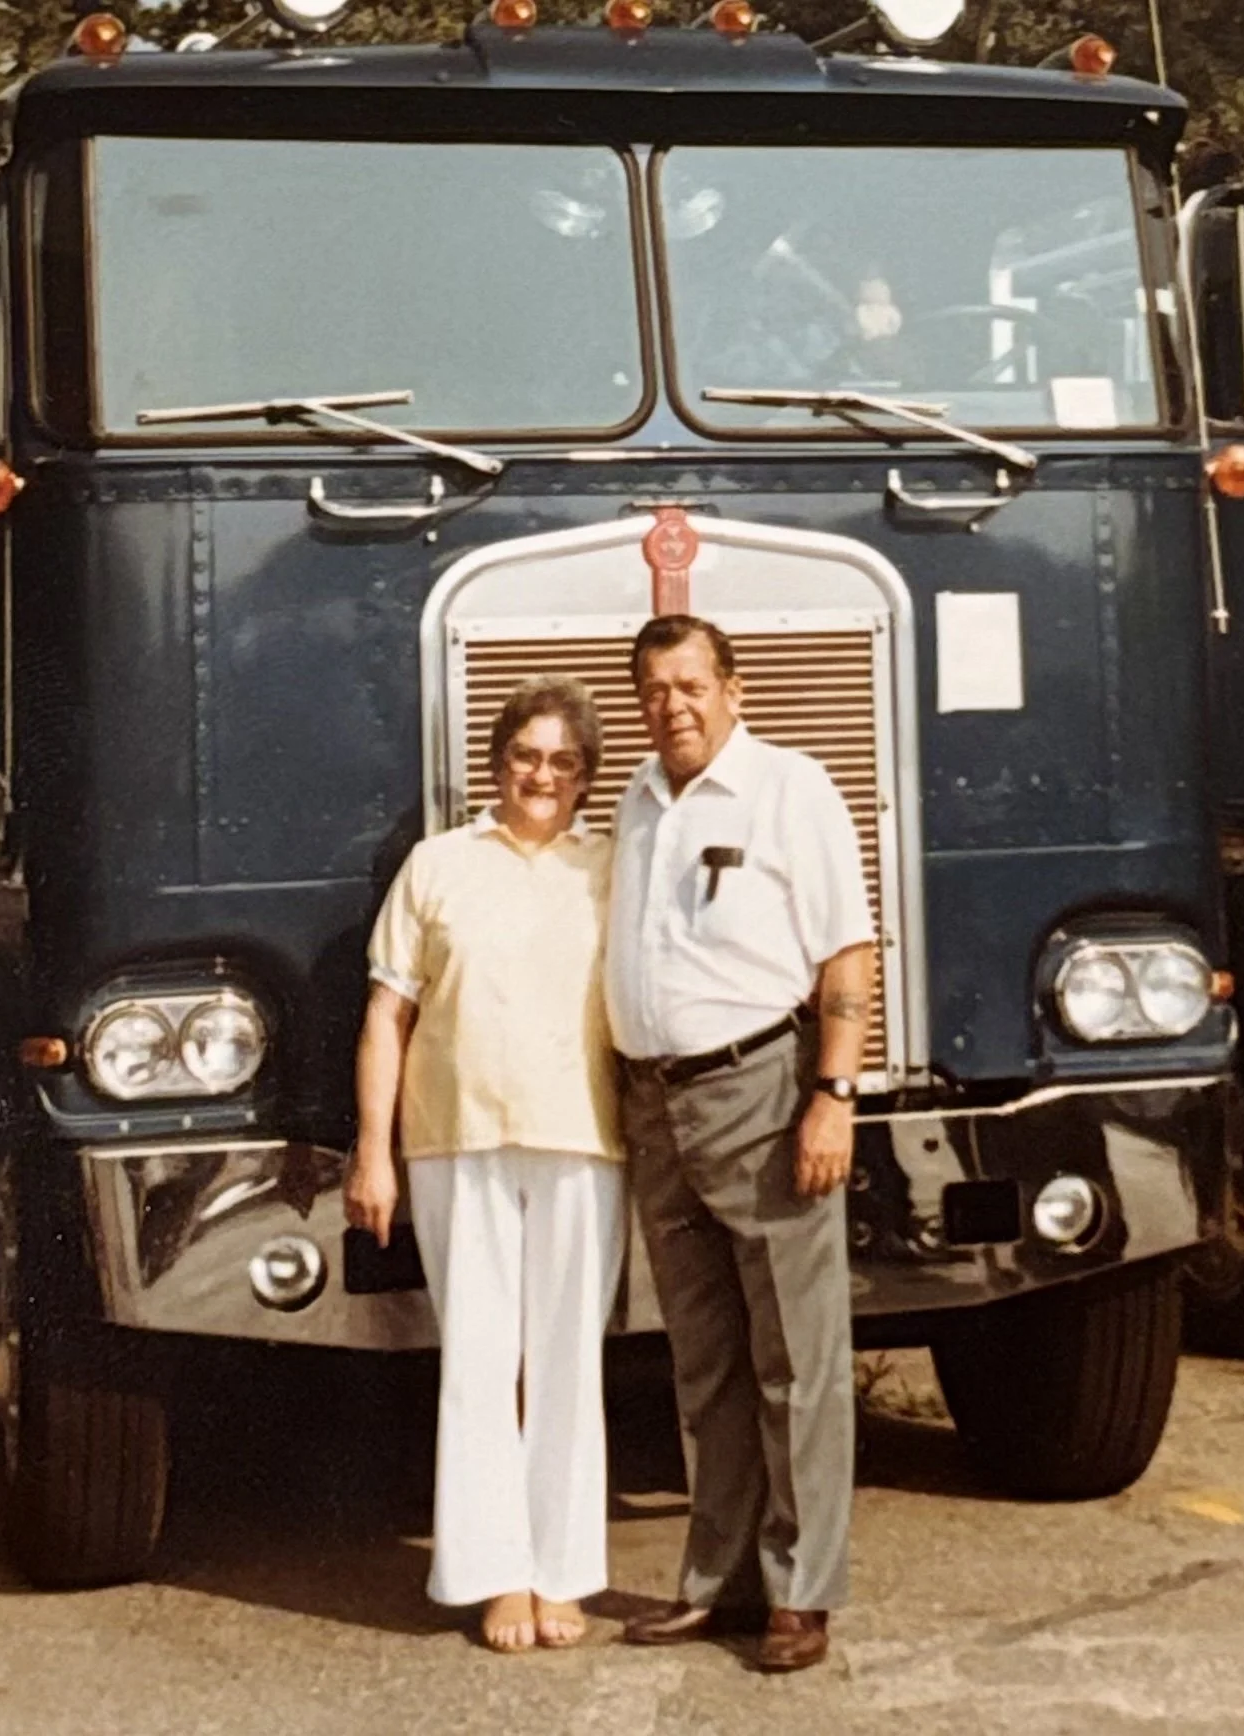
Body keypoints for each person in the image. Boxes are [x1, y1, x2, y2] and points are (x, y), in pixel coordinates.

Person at [607, 614, 878, 1675]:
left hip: (760, 1091)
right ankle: (716, 1579)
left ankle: (801, 1590)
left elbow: (845, 948)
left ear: (731, 688)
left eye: (688, 684)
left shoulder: (789, 789)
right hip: (655, 1106)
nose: (670, 704)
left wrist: (833, 1096)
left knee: (796, 1360)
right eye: (652, 689)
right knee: (705, 1359)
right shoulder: (635, 796)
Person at [344, 677, 622, 1655]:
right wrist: (371, 1151)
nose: (541, 774)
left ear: (585, 776)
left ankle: (560, 1569)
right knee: (478, 1358)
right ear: (496, 762)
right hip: (453, 1136)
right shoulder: (438, 865)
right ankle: (494, 1572)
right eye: (525, 755)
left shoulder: (611, 867)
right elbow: (387, 1014)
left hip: (583, 1139)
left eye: (563, 760)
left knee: (564, 1361)